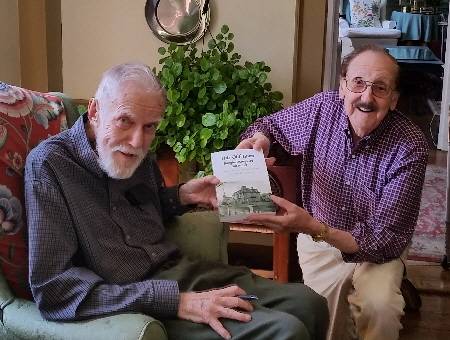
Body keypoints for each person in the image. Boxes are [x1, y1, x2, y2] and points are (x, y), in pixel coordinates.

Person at [24, 63, 328, 340]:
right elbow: (54, 289)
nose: (136, 142)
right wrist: (175, 301)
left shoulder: (138, 156)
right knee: (286, 332)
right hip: (134, 300)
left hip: (182, 272)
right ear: (94, 110)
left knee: (309, 303)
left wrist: (180, 196)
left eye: (149, 127)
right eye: (124, 122)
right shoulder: (50, 166)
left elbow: (142, 209)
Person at [238, 45, 428, 340]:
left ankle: (388, 286)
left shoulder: (410, 143)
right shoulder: (321, 108)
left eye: (380, 88)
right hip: (319, 243)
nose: (367, 97)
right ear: (342, 87)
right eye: (358, 83)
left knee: (380, 308)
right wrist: (260, 139)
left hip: (378, 249)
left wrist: (314, 227)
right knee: (320, 319)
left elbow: (385, 238)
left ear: (393, 100)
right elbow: (269, 125)